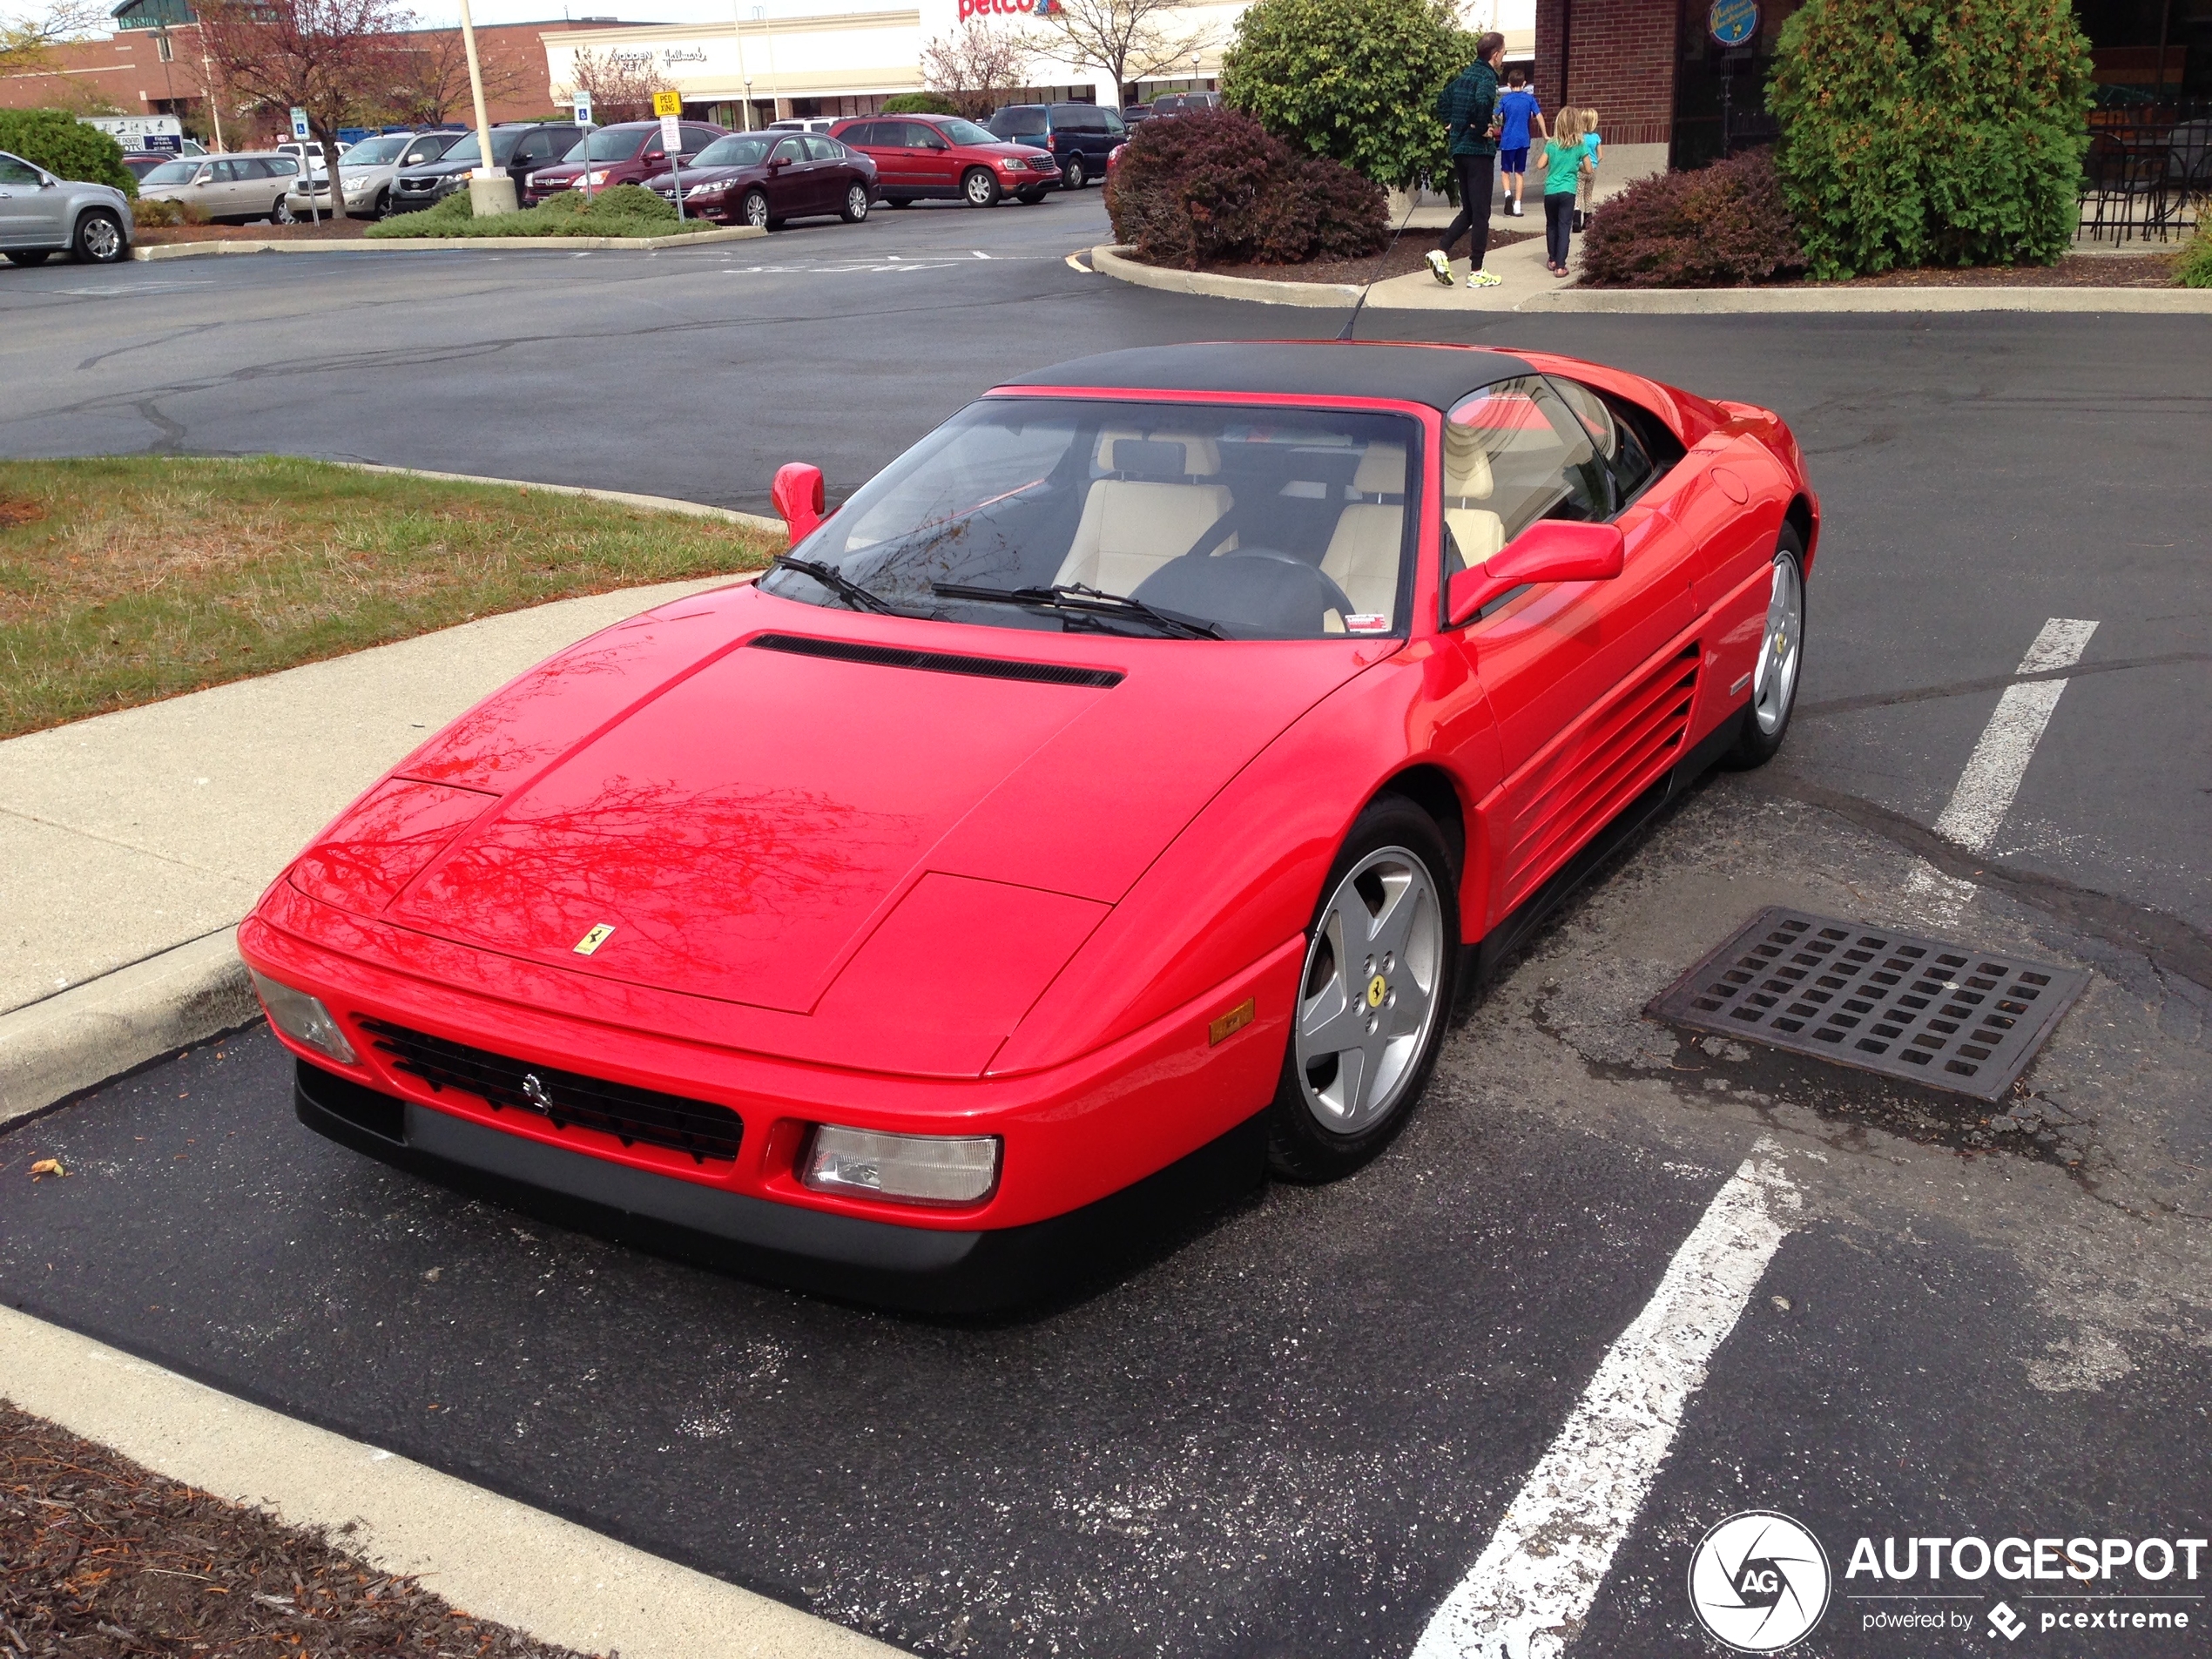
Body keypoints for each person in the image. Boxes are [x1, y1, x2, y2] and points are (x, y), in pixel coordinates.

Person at [1425, 31, 1507, 289]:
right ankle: (1477, 270)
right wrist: (1483, 127)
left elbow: (1442, 100)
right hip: (1478, 153)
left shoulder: (1465, 76)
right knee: (1482, 213)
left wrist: (1452, 123)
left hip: (1459, 150)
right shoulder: (1485, 77)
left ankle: (1441, 251)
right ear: (1495, 56)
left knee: (1470, 210)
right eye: (1504, 54)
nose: (1503, 58)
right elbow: (1483, 101)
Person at [1541, 106, 1599, 277]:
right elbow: (1589, 169)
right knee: (1564, 226)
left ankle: (1552, 259)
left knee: (1551, 225)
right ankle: (1560, 266)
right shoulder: (1580, 145)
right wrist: (1576, 166)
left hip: (1550, 190)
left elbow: (1540, 164)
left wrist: (1555, 163)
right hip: (1567, 191)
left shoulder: (1551, 144)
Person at [1494, 67, 1546, 218]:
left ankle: (1507, 194)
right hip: (1523, 141)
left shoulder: (1505, 100)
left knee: (1505, 171)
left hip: (1508, 140)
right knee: (1519, 173)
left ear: (1509, 85)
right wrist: (1545, 134)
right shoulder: (1529, 99)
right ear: (1524, 84)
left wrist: (1496, 122)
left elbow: (1495, 115)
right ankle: (1517, 205)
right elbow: (1539, 116)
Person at [1575, 107, 1602, 233]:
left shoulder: (1578, 137)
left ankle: (1576, 219)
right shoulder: (1596, 137)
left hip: (1580, 168)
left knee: (1578, 194)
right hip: (1592, 170)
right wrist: (1594, 163)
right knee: (1588, 195)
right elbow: (1600, 155)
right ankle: (1588, 221)